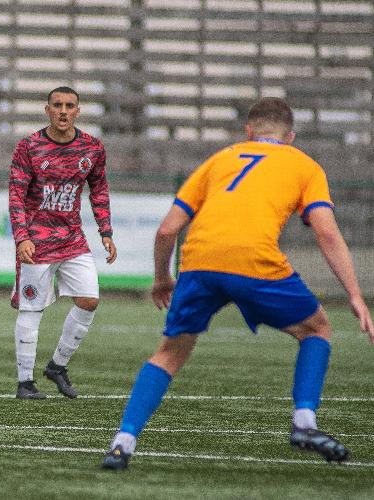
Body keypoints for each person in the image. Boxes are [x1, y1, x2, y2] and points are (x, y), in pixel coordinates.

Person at [101, 97, 374, 470]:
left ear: (248, 131)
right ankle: (305, 423)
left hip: (198, 261)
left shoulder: (221, 159)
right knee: (317, 328)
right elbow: (326, 232)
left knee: (169, 352)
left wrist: (163, 277)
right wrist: (355, 295)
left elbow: (167, 229)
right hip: (254, 260)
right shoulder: (305, 165)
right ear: (290, 136)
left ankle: (123, 443)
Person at [9, 86, 117, 400]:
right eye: (57, 105)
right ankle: (25, 383)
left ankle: (57, 365)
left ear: (78, 111)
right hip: (37, 241)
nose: (63, 111)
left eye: (70, 105)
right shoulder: (28, 147)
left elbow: (99, 191)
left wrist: (106, 233)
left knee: (89, 300)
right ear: (47, 110)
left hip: (72, 239)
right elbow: (16, 196)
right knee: (32, 309)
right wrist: (22, 238)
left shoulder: (92, 148)